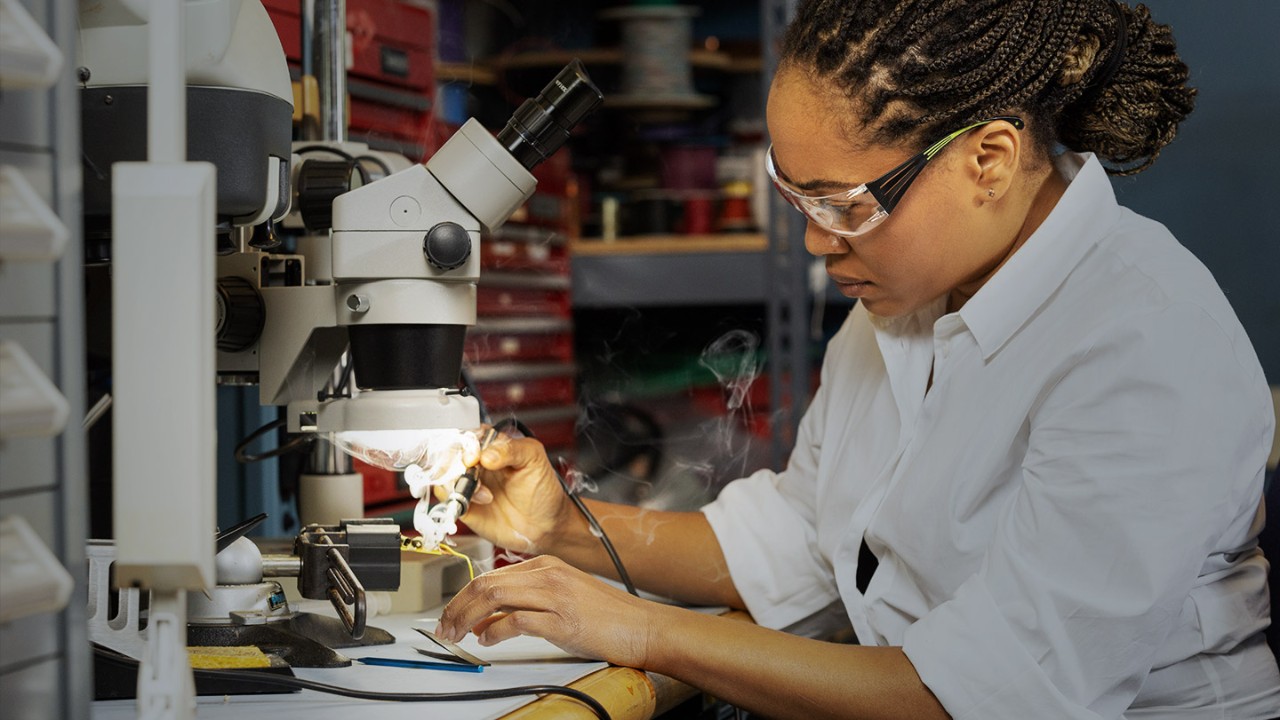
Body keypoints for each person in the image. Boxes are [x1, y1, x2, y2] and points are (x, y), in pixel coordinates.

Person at [436, 1, 1280, 717]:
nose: (813, 241)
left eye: (841, 204)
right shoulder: (907, 302)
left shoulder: (1143, 341)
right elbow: (808, 536)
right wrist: (560, 528)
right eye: (795, 196)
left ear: (988, 159)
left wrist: (639, 628)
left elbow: (979, 696)